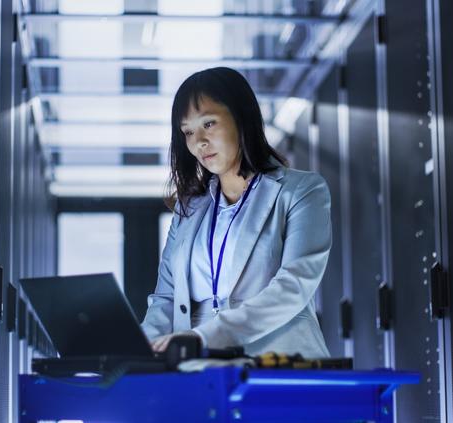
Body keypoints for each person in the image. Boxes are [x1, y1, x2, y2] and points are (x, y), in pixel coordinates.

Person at [140, 67, 332, 358]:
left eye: (209, 124)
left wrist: (204, 337)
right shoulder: (188, 209)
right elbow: (166, 298)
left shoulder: (301, 191)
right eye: (188, 131)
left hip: (277, 363)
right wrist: (139, 348)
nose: (199, 142)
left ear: (241, 118)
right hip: (198, 368)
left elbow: (293, 286)